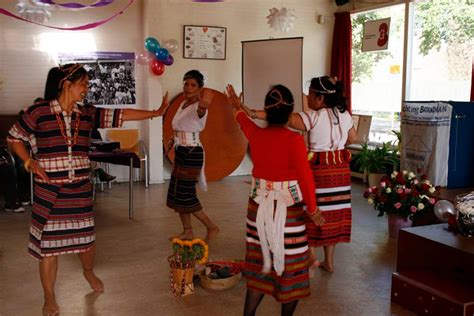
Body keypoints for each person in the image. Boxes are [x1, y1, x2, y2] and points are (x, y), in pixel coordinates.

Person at [7, 63, 169, 316]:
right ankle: (49, 297)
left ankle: (88, 272)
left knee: (86, 240)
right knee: (49, 247)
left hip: (81, 189)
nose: (86, 88)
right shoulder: (38, 112)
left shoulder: (87, 113)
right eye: (83, 83)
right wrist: (29, 161)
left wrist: (156, 113)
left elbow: (121, 115)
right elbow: (14, 137)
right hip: (49, 192)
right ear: (66, 84)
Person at [230, 76, 357, 273]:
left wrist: (249, 112)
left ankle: (311, 256)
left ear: (320, 99)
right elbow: (353, 138)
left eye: (311, 95)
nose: (307, 98)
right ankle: (329, 261)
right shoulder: (345, 115)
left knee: (312, 210)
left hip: (320, 168)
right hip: (340, 170)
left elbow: (284, 117)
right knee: (332, 214)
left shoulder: (313, 117)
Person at [226, 84, 325, 316]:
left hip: (257, 212)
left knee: (260, 263)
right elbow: (305, 178)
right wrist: (312, 209)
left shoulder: (256, 134)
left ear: (267, 112)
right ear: (290, 114)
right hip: (287, 214)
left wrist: (236, 104)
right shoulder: (294, 140)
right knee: (291, 268)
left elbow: (241, 118)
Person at [166, 70, 219, 242]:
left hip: (191, 153)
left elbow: (201, 112)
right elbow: (182, 127)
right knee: (177, 194)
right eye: (186, 83)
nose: (188, 87)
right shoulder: (183, 104)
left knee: (186, 195)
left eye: (193, 85)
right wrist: (172, 140)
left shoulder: (198, 107)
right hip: (181, 150)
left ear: (199, 89)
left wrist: (203, 105)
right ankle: (188, 230)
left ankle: (212, 227)